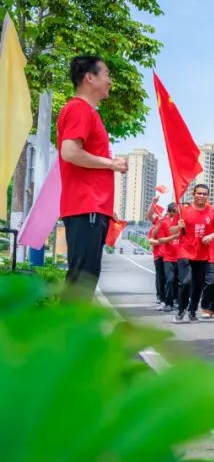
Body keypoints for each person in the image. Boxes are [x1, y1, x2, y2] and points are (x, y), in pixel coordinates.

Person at [56, 56, 127, 297]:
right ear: (89, 77)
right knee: (81, 281)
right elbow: (69, 152)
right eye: (106, 74)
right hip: (86, 205)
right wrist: (111, 164)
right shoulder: (79, 109)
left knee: (85, 278)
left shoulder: (88, 112)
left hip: (93, 207)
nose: (110, 81)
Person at [172, 183, 214, 323]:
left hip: (202, 255)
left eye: (204, 194)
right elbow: (171, 230)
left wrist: (211, 236)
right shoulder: (183, 210)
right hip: (185, 253)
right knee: (186, 282)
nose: (202, 196)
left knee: (198, 285)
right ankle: (181, 309)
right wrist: (178, 227)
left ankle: (192, 310)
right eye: (199, 193)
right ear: (193, 194)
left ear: (208, 196)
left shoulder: (212, 212)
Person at [153, 202, 181, 312]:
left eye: (177, 211)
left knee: (181, 282)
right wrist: (173, 237)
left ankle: (178, 301)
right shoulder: (164, 223)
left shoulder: (183, 223)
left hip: (181, 257)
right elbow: (160, 240)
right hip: (168, 257)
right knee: (169, 280)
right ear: (169, 212)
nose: (176, 213)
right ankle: (168, 303)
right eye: (174, 211)